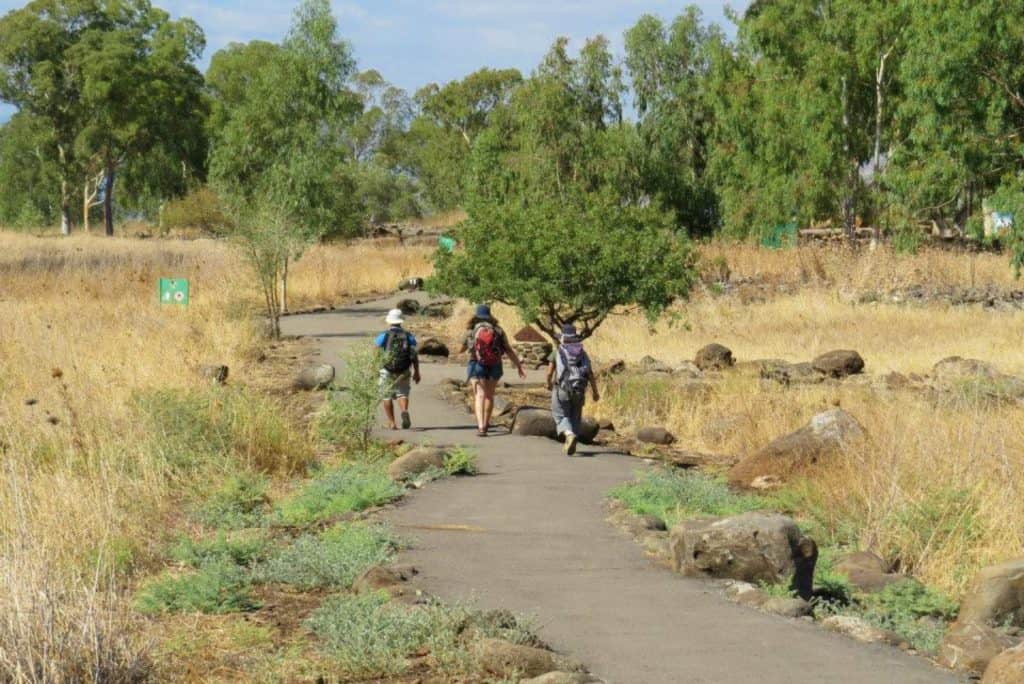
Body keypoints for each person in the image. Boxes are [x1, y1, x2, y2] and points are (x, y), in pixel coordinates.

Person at [459, 304, 526, 436]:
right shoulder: (498, 330)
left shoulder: (471, 330)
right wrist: (518, 366)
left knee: (479, 395)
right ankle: (486, 423)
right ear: (490, 316)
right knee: (489, 395)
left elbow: (460, 349)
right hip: (495, 364)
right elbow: (508, 350)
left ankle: (481, 427)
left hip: (477, 364)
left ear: (476, 316)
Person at [546, 323, 600, 455]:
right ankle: (572, 443)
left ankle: (569, 435)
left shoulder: (557, 351)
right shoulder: (582, 353)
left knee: (560, 415)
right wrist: (595, 392)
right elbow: (590, 373)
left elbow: (549, 373)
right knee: (575, 417)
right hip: (579, 390)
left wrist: (548, 384)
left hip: (562, 389)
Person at [374, 308, 420, 430]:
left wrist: (374, 367)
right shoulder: (409, 336)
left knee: (386, 396)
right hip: (404, 369)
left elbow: (375, 351)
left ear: (389, 321)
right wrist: (417, 372)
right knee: (402, 393)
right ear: (401, 321)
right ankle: (404, 411)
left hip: (387, 369)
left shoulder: (384, 335)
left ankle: (392, 423)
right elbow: (414, 355)